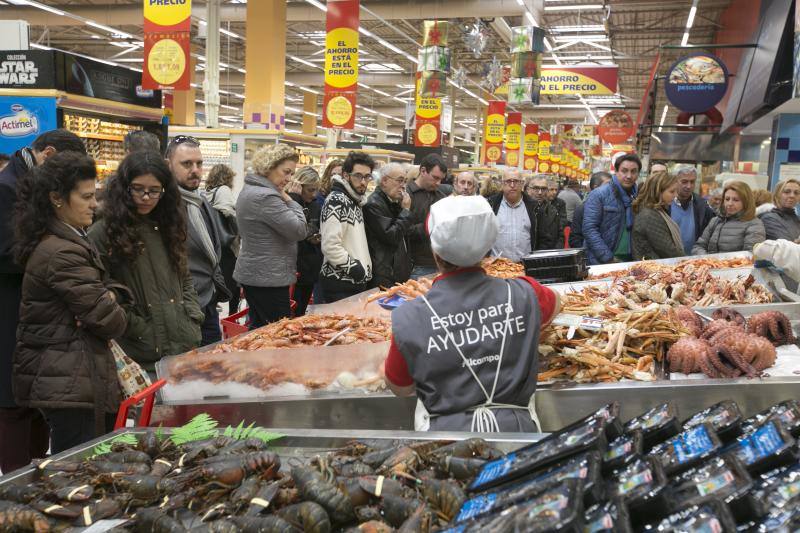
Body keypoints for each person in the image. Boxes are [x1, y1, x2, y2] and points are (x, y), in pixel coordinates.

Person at [383, 195, 560, 432]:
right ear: (487, 251)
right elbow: (558, 304)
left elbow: (400, 387)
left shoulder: (409, 316)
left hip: (444, 440)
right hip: (517, 433)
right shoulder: (525, 292)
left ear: (436, 253)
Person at [13, 151, 130, 454]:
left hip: (69, 374)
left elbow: (108, 293)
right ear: (57, 198)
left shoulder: (66, 238)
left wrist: (109, 295)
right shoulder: (62, 252)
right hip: (69, 379)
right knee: (77, 465)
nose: (95, 204)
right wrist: (109, 300)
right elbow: (111, 320)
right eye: (86, 196)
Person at [0, 129, 85, 473]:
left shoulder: (31, 186)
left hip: (36, 314)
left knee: (35, 401)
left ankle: (37, 476)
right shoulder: (6, 190)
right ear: (47, 155)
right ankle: (15, 487)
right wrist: (55, 252)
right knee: (13, 403)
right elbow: (6, 253)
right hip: (10, 311)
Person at [88, 151, 202, 374]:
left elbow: (184, 276)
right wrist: (138, 327)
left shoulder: (170, 223)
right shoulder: (103, 232)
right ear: (124, 188)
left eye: (154, 191)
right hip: (138, 354)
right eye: (138, 189)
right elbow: (99, 290)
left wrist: (192, 316)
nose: (146, 197)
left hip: (182, 347)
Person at [235, 144, 307, 327]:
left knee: (259, 330)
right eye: (286, 172)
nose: (289, 179)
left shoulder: (250, 189)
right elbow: (299, 230)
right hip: (268, 279)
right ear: (270, 166)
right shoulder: (267, 197)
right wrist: (291, 199)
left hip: (257, 275)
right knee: (280, 332)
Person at [166, 135, 229, 344]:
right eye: (186, 164)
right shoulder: (165, 207)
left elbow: (212, 250)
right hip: (184, 308)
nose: (195, 170)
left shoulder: (200, 201)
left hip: (209, 302)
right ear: (169, 166)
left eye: (199, 163)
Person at [320, 151, 375, 302]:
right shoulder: (337, 200)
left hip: (352, 283)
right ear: (345, 175)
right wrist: (355, 269)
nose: (363, 182)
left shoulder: (354, 200)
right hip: (341, 284)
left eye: (367, 176)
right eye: (358, 176)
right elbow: (330, 245)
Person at [583, 153, 641, 264]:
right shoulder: (599, 194)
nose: (629, 176)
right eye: (624, 171)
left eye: (633, 171)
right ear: (616, 172)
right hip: (603, 261)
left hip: (632, 260)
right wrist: (608, 258)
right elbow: (589, 229)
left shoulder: (638, 196)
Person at [364, 162, 412, 289]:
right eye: (400, 181)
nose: (403, 186)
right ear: (384, 181)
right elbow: (391, 235)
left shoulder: (392, 201)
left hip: (393, 272)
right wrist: (405, 211)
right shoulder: (374, 204)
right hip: (384, 274)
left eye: (405, 181)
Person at [203, 164, 240, 315]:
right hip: (227, 246)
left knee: (219, 280)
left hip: (214, 245)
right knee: (233, 285)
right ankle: (232, 316)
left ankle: (214, 311)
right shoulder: (224, 190)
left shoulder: (207, 193)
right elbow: (227, 211)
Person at [692, 181, 765, 255]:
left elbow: (750, 255)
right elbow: (698, 247)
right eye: (727, 199)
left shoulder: (754, 224)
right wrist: (708, 260)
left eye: (736, 200)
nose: (730, 204)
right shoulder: (715, 221)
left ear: (746, 202)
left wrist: (724, 262)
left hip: (737, 266)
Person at [288, 167, 323, 316]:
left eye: (316, 190)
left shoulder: (316, 205)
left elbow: (314, 229)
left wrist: (318, 237)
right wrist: (294, 199)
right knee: (289, 316)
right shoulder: (288, 201)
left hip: (310, 268)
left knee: (300, 314)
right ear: (299, 186)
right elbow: (293, 231)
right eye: (310, 190)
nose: (314, 195)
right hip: (293, 269)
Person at [406, 154, 448, 278]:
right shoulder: (406, 195)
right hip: (415, 265)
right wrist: (431, 225)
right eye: (435, 178)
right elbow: (403, 230)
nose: (438, 183)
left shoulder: (441, 197)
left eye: (441, 179)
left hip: (441, 263)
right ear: (423, 171)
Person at [631, 171, 685, 260]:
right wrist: (686, 261)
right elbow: (668, 251)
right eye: (672, 192)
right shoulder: (649, 215)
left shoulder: (656, 210)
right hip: (653, 269)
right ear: (658, 192)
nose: (676, 195)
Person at [668, 167, 715, 256]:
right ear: (675, 181)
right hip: (669, 260)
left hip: (694, 260)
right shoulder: (665, 204)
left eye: (692, 182)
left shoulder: (702, 205)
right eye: (684, 182)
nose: (689, 186)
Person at [569, 171, 611, 249]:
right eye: (608, 185)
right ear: (596, 188)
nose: (611, 189)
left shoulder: (613, 208)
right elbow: (575, 239)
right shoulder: (582, 209)